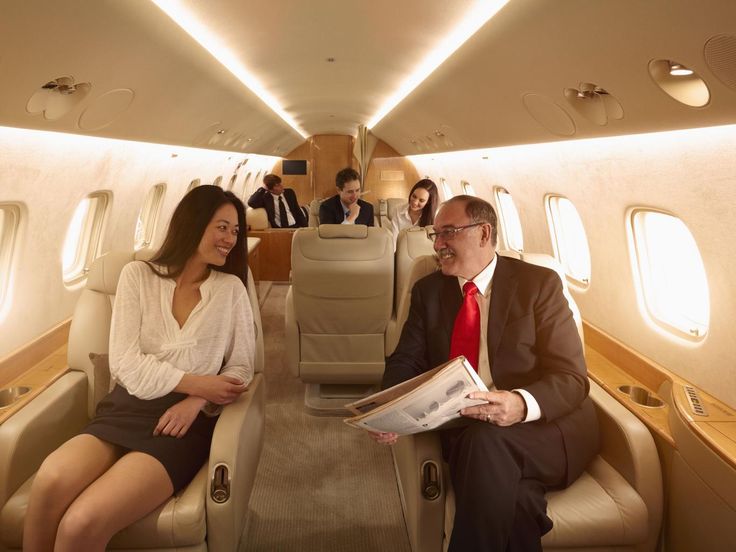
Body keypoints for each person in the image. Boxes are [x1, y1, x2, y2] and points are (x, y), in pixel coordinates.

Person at [23, 185, 255, 552]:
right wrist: (198, 384)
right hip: (126, 408)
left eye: (235, 230)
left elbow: (243, 365)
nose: (230, 238)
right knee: (49, 480)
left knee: (82, 522)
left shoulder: (230, 290)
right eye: (222, 227)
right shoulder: (137, 276)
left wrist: (196, 401)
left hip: (182, 426)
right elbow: (125, 362)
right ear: (193, 223)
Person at [371, 195, 599, 552]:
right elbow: (406, 360)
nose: (438, 243)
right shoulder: (428, 292)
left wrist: (520, 404)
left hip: (547, 429)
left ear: (483, 232)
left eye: (448, 233)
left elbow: (571, 378)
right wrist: (389, 405)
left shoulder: (539, 285)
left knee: (484, 443)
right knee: (519, 502)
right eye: (435, 234)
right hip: (470, 428)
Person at [391, 178, 439, 247]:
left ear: (428, 202)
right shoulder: (397, 210)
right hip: (401, 252)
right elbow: (394, 239)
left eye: (421, 200)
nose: (415, 202)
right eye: (414, 196)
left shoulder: (435, 216)